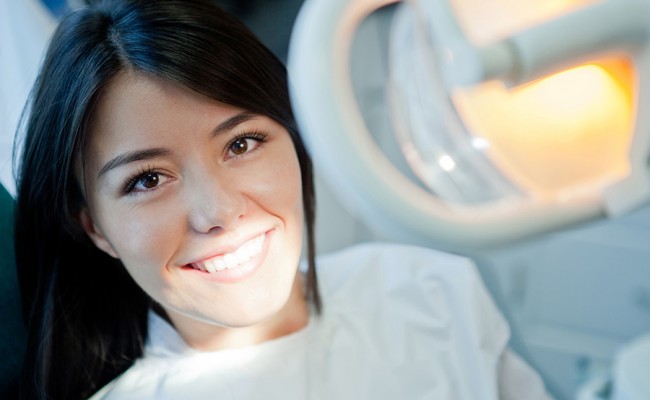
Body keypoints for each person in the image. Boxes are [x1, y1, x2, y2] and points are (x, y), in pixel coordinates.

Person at [13, 1, 552, 399]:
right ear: (95, 229)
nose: (219, 212)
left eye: (241, 144)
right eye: (148, 180)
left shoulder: (431, 291)